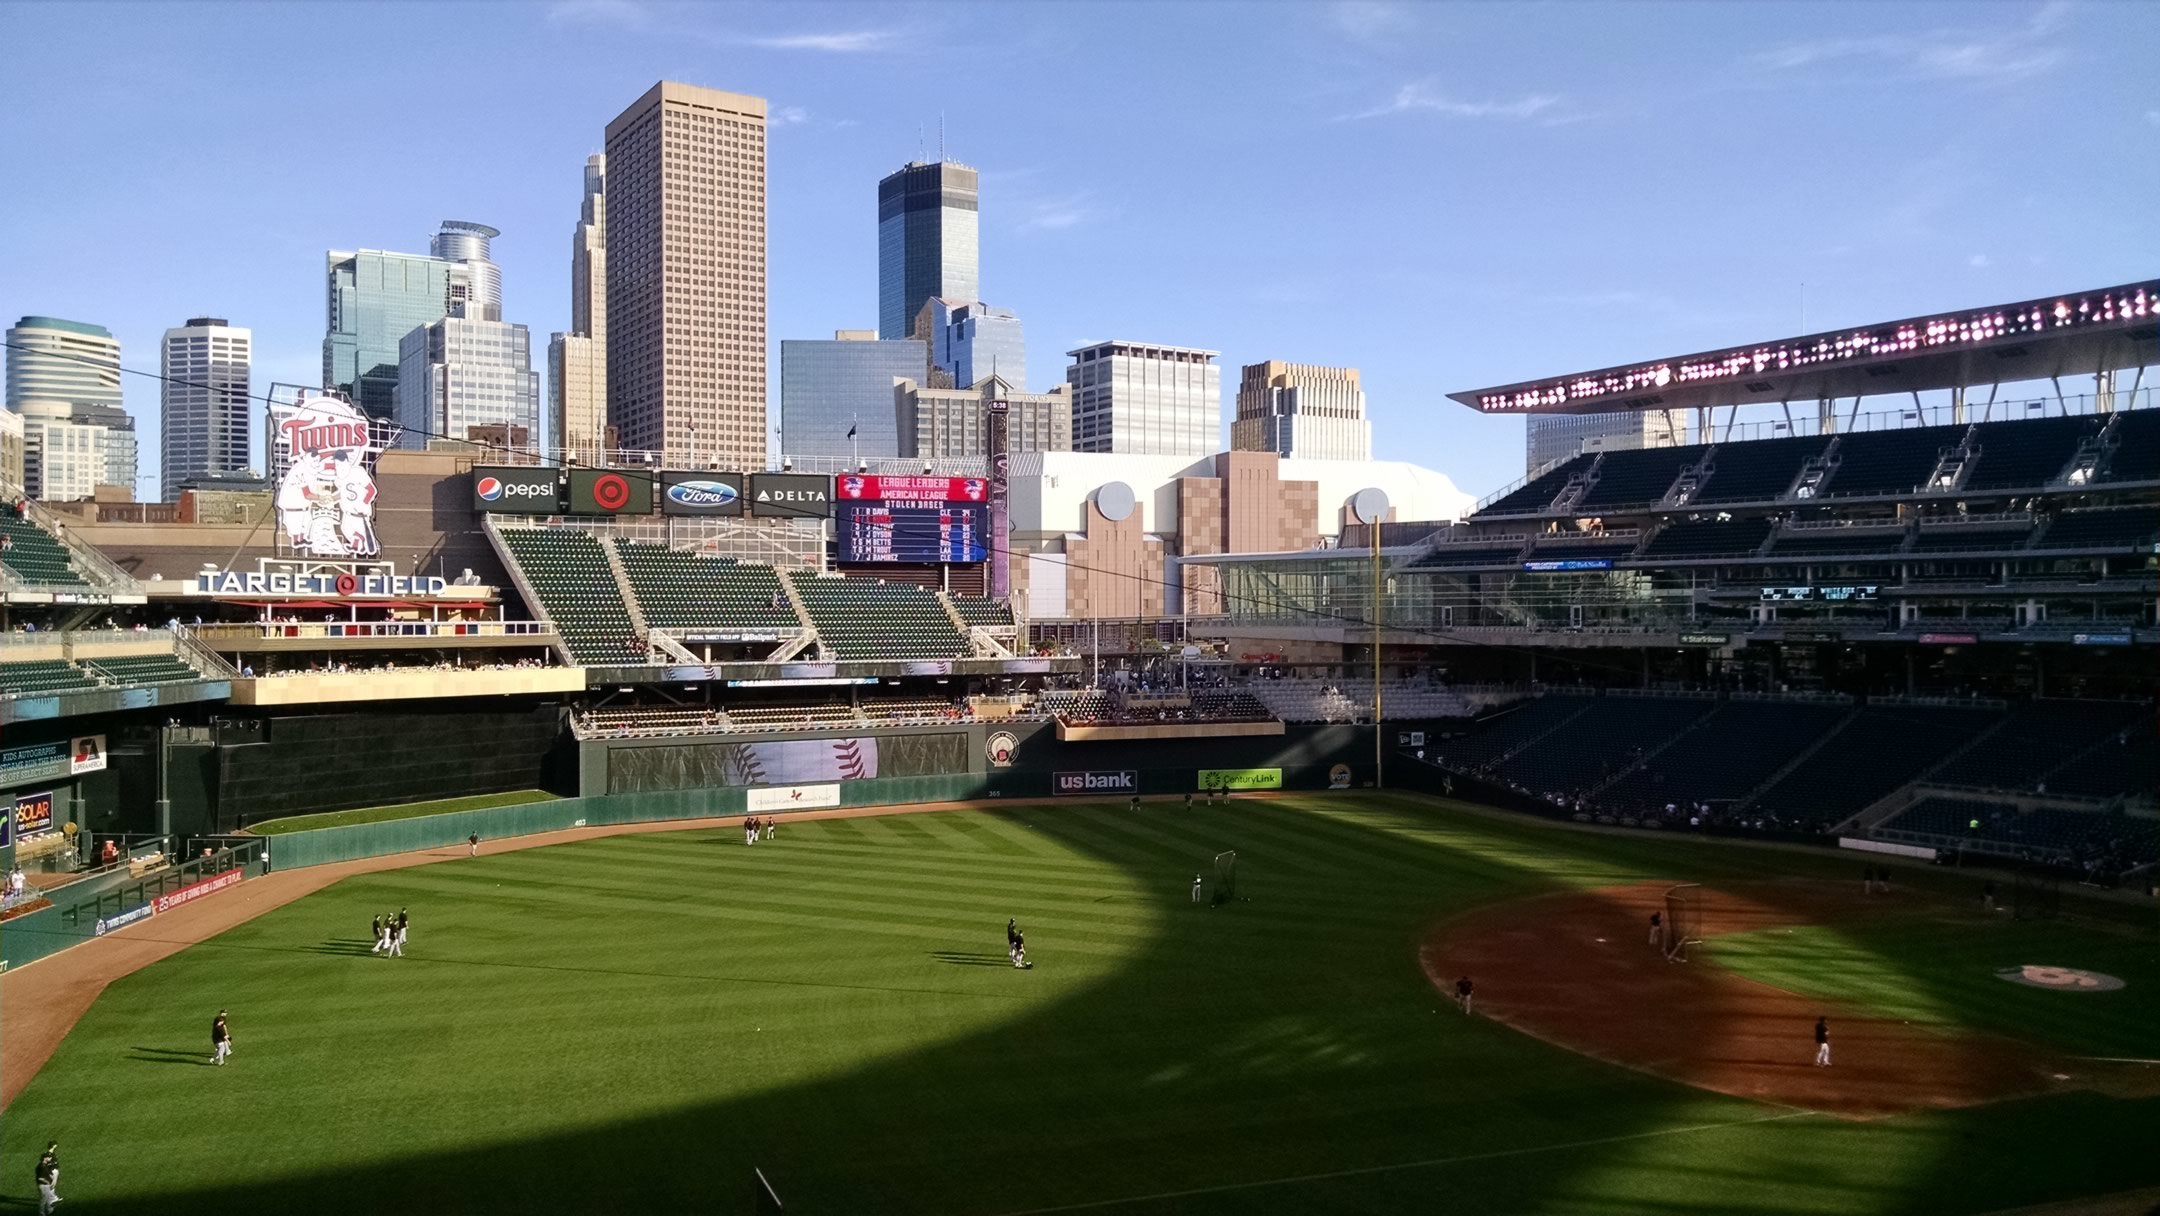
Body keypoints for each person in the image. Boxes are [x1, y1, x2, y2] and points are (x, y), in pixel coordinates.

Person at [35, 1141, 59, 1215]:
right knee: (43, 1200)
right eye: (48, 1158)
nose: (49, 1158)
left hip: (45, 1182)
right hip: (43, 1184)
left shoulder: (44, 1166)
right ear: (45, 1158)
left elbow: (48, 1174)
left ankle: (50, 1210)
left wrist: (52, 1178)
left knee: (47, 1198)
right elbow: (40, 1178)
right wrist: (48, 1181)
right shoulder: (42, 1167)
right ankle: (42, 1213)